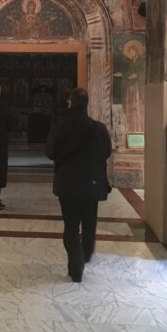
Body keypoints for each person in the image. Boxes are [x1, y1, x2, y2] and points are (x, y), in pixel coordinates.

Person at [45, 88, 112, 282]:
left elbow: (50, 152)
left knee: (71, 225)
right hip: (92, 183)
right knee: (90, 221)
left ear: (71, 102)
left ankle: (76, 267)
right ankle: (87, 252)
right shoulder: (99, 128)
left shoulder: (61, 126)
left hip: (68, 184)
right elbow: (107, 152)